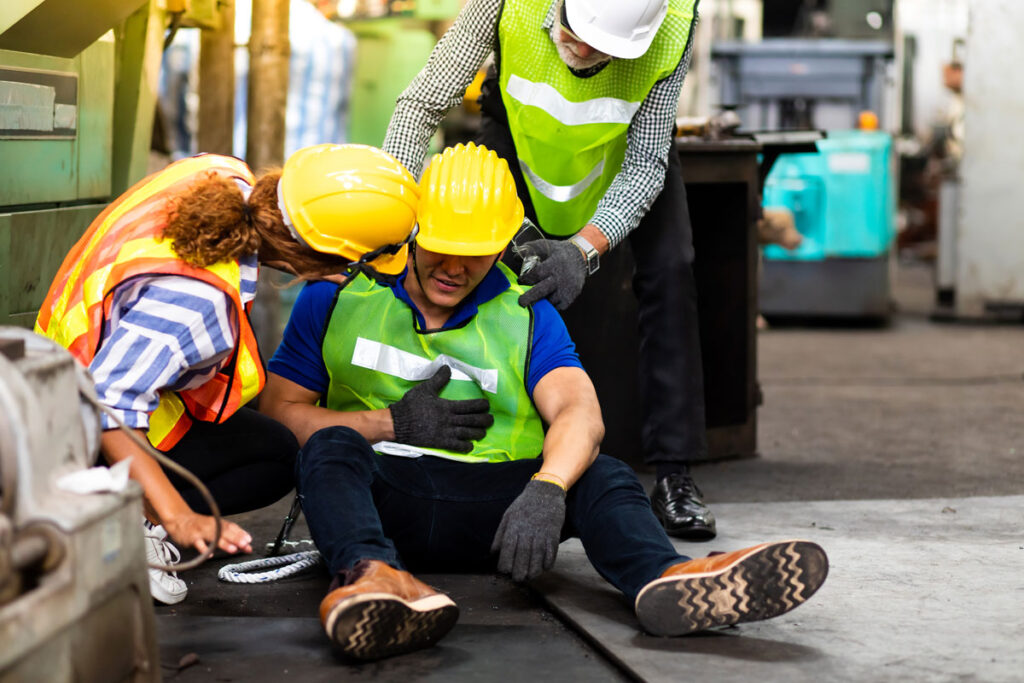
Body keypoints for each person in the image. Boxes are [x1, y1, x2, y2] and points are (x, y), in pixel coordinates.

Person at [260, 143, 828, 661]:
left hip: (502, 519)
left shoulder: (525, 311)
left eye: (476, 253)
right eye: (441, 248)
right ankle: (373, 579)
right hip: (385, 503)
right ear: (413, 232)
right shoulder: (334, 297)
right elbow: (281, 415)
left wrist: (547, 489)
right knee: (331, 445)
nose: (455, 269)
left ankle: (673, 578)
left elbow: (581, 412)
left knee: (603, 474)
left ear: (505, 244)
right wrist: (389, 422)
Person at [382, 0, 716, 540]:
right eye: (574, 33)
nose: (581, 51)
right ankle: (495, 450)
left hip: (625, 147)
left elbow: (648, 159)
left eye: (602, 47)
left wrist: (584, 248)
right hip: (519, 133)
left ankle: (676, 474)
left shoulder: (674, 18)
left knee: (671, 269)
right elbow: (422, 103)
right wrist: (390, 213)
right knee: (484, 269)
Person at [34, 143, 419, 604]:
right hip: (67, 433)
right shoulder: (197, 300)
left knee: (276, 450)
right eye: (354, 267)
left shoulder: (220, 175)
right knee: (263, 464)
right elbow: (106, 403)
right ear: (319, 258)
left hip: (58, 373)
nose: (349, 279)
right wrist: (176, 515)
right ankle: (126, 525)